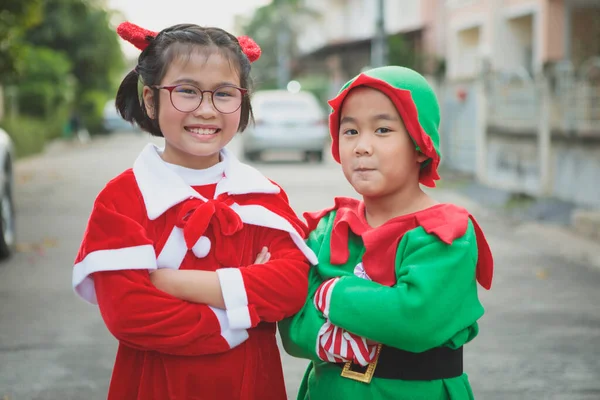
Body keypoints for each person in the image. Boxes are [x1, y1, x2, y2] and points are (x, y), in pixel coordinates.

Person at [72, 21, 316, 400]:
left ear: (243, 99)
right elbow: (130, 313)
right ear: (151, 100)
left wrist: (171, 283)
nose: (206, 110)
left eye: (223, 94)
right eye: (186, 91)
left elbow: (289, 288)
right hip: (154, 387)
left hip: (252, 386)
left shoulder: (263, 195)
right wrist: (238, 312)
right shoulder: (122, 199)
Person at [278, 66, 494, 400]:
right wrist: (369, 320)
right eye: (349, 131)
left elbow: (414, 319)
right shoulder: (327, 228)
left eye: (382, 129)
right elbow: (292, 327)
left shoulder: (445, 234)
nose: (362, 147)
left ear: (421, 145)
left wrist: (330, 293)